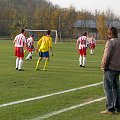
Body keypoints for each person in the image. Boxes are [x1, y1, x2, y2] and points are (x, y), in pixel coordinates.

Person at [100, 27, 120, 114]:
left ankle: (110, 108)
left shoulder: (110, 42)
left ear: (110, 34)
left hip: (110, 68)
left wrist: (103, 66)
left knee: (108, 89)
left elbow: (106, 56)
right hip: (118, 68)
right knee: (116, 88)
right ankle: (118, 107)